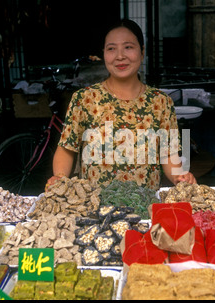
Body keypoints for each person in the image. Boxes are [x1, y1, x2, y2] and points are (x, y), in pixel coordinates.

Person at [47, 19, 196, 191]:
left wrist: (180, 175)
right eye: (111, 48)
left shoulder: (161, 102)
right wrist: (59, 177)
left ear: (142, 51)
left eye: (128, 47)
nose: (120, 56)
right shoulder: (84, 99)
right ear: (103, 53)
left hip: (145, 209)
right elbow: (67, 148)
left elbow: (169, 154)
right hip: (95, 210)